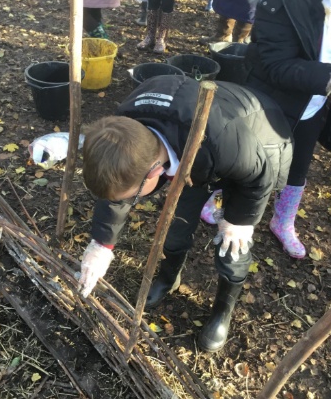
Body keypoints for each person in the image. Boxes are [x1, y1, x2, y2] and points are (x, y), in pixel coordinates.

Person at [78, 74, 293, 352]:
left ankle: (222, 310)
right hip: (198, 149)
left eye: (134, 195)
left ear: (155, 171)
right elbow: (117, 186)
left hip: (260, 146)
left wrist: (239, 220)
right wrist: (102, 244)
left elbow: (258, 174)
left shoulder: (218, 141)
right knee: (177, 223)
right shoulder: (124, 129)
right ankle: (169, 278)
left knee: (232, 242)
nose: (129, 202)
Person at [243, 0, 331, 258]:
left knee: (299, 165)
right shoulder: (282, 3)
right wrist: (329, 79)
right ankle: (224, 203)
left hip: (315, 105)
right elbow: (277, 64)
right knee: (249, 159)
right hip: (273, 101)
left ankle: (283, 220)